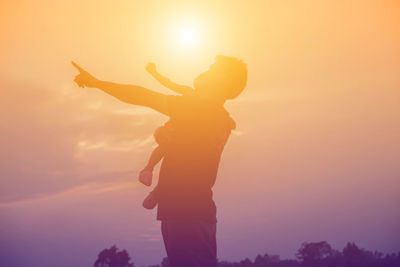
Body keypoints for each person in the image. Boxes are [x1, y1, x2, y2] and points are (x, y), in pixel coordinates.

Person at [72, 55, 247, 267]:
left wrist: (97, 83)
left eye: (212, 69)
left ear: (221, 80)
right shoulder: (215, 116)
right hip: (188, 212)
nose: (205, 70)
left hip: (186, 214)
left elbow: (141, 95)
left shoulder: (200, 110)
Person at [138, 62, 236, 211]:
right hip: (174, 128)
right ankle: (149, 172)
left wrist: (226, 120)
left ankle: (157, 191)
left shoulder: (212, 108)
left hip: (187, 133)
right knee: (166, 146)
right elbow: (170, 84)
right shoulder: (190, 93)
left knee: (179, 153)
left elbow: (216, 111)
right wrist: (154, 73)